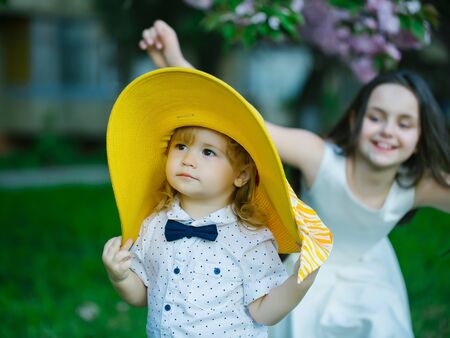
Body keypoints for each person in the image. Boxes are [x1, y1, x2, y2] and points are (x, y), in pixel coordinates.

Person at [139, 20, 450, 337]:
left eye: (405, 124)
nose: (387, 131)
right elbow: (246, 121)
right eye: (376, 117)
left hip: (373, 276)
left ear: (420, 137)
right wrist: (174, 61)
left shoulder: (419, 185)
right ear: (356, 119)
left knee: (379, 321)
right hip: (310, 271)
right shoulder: (320, 157)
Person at [102, 68, 332, 337]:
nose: (188, 159)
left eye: (208, 152)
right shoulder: (154, 225)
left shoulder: (251, 238)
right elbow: (142, 295)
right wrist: (120, 276)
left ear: (241, 174)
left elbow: (264, 311)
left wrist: (301, 281)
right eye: (181, 147)